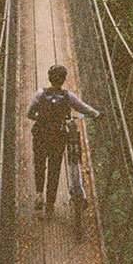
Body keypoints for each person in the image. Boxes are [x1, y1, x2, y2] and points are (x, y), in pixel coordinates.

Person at [26, 64, 100, 214]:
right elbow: (83, 108)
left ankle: (39, 194)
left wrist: (39, 118)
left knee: (39, 164)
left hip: (40, 134)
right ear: (64, 80)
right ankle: (50, 204)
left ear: (49, 78)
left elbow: (29, 114)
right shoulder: (68, 97)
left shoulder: (40, 94)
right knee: (54, 169)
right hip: (57, 137)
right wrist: (96, 114)